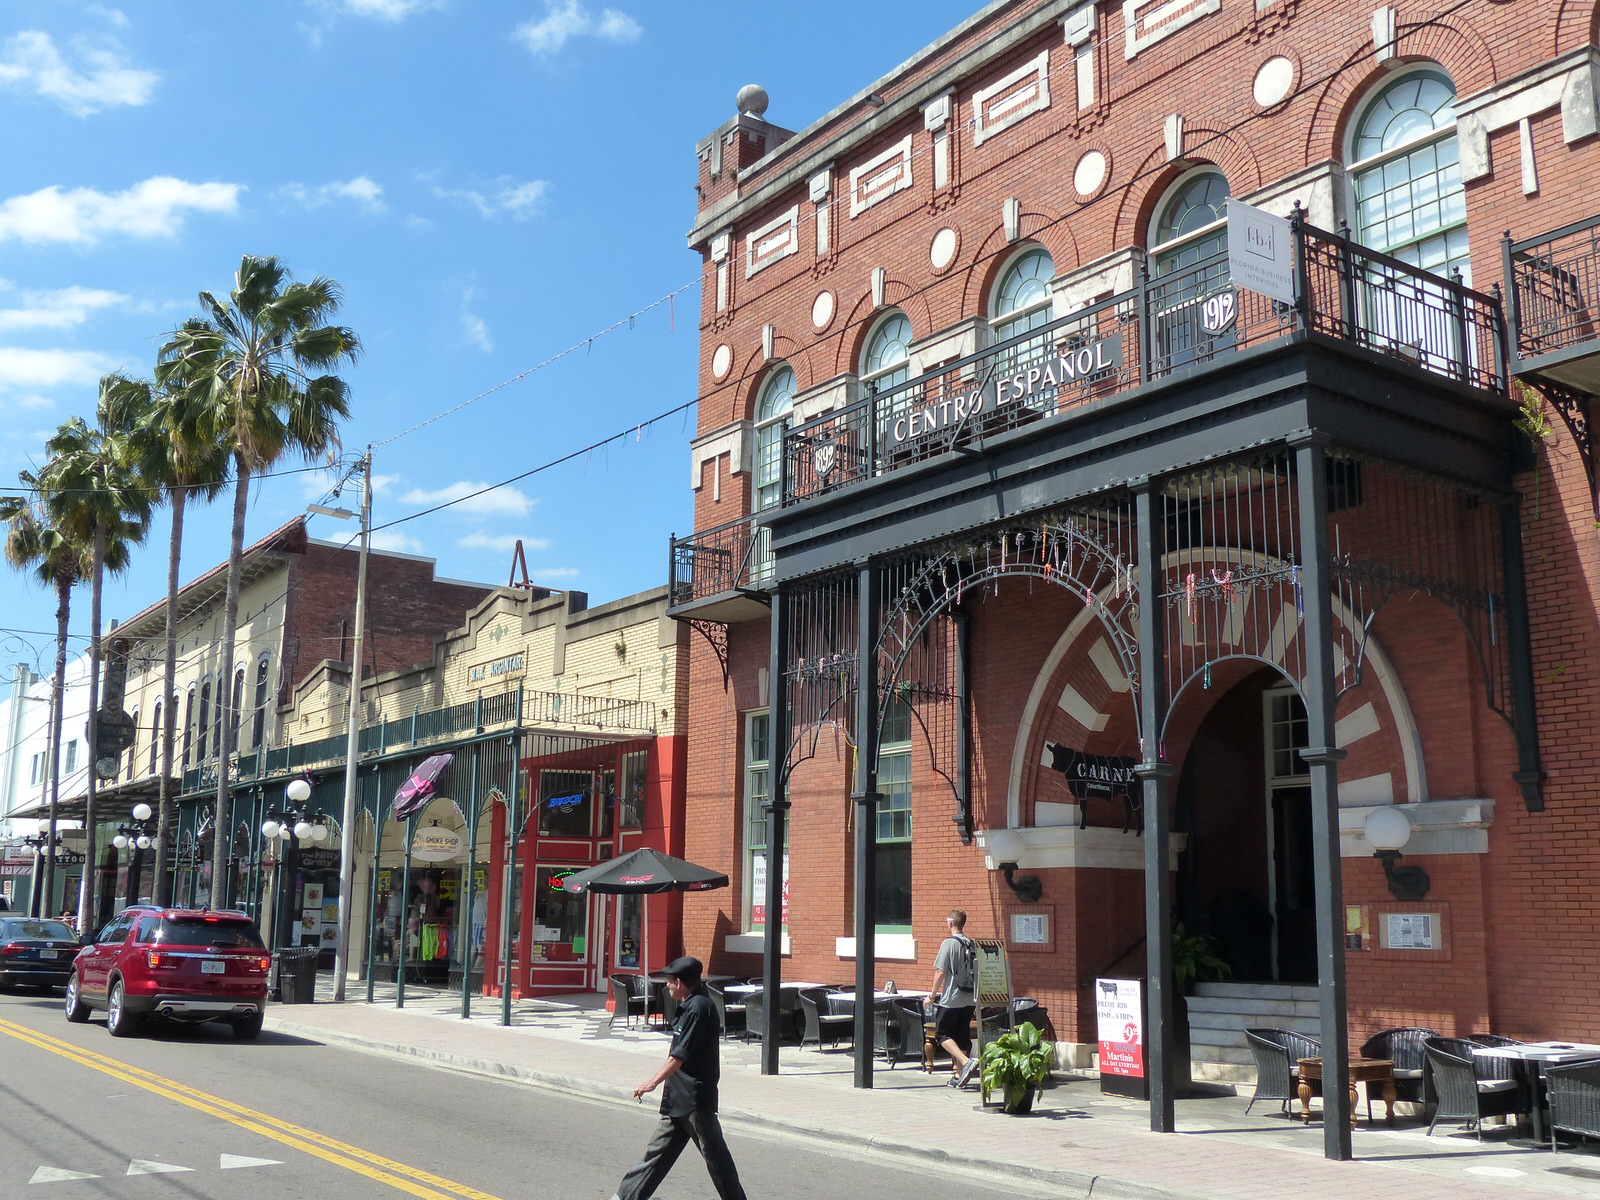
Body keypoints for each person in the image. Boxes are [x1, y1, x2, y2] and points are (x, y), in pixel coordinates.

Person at [611, 955, 747, 1200]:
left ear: (680, 983)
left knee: (716, 1158)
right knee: (655, 1155)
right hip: (678, 1097)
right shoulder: (689, 1005)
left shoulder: (699, 1009)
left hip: (694, 1100)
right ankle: (624, 1197)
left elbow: (679, 1056)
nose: (667, 986)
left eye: (669, 981)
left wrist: (652, 1082)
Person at [930, 908, 979, 1088]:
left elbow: (940, 971)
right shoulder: (971, 943)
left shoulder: (949, 943)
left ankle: (966, 1062)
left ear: (950, 922)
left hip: (951, 998)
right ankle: (959, 1075)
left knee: (942, 1034)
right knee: (961, 1035)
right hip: (970, 998)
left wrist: (931, 996)